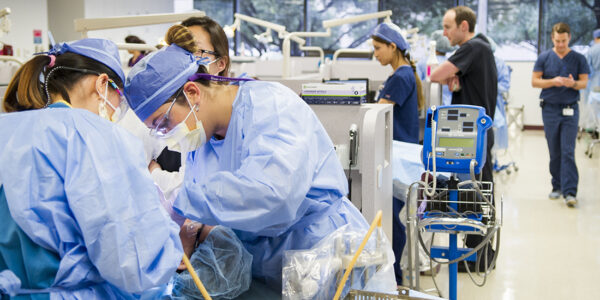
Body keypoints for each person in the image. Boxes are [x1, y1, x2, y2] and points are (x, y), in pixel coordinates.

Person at [124, 24, 370, 291]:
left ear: (193, 93)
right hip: (265, 268)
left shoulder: (271, 107)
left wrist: (183, 203)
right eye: (156, 130)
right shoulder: (200, 136)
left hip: (324, 259)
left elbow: (273, 196)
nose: (167, 135)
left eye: (163, 122)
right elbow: (219, 204)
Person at [0, 38, 183, 298]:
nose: (114, 113)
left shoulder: (11, 129)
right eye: (117, 100)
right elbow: (131, 264)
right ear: (101, 84)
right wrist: (166, 246)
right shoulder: (93, 136)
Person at [430, 6, 498, 273]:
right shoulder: (481, 48)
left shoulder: (472, 48)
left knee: (476, 195)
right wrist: (457, 76)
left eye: (448, 27)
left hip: (474, 137)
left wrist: (449, 73)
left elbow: (435, 75)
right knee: (477, 192)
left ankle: (478, 257)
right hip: (476, 134)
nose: (444, 33)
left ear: (464, 27)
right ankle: (477, 253)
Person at [532, 22, 589, 207]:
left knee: (568, 151)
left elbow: (583, 83)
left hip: (570, 110)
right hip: (550, 109)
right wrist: (553, 81)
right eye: (557, 41)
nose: (561, 45)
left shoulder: (579, 58)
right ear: (552, 38)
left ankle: (570, 192)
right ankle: (556, 186)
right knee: (554, 151)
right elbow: (535, 81)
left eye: (564, 41)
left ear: (569, 38)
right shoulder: (544, 57)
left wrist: (572, 84)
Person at [372, 22, 423, 143]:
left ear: (393, 47)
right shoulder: (404, 73)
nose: (375, 54)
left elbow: (376, 114)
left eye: (377, 48)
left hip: (399, 147)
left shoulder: (400, 77)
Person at [416, 30, 456, 106]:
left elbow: (418, 86)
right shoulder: (452, 64)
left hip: (428, 107)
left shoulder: (423, 63)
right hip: (448, 108)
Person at [582, 29, 600, 133]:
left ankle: (592, 130)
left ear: (595, 38)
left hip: (594, 83)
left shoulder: (591, 50)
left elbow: (587, 71)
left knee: (592, 108)